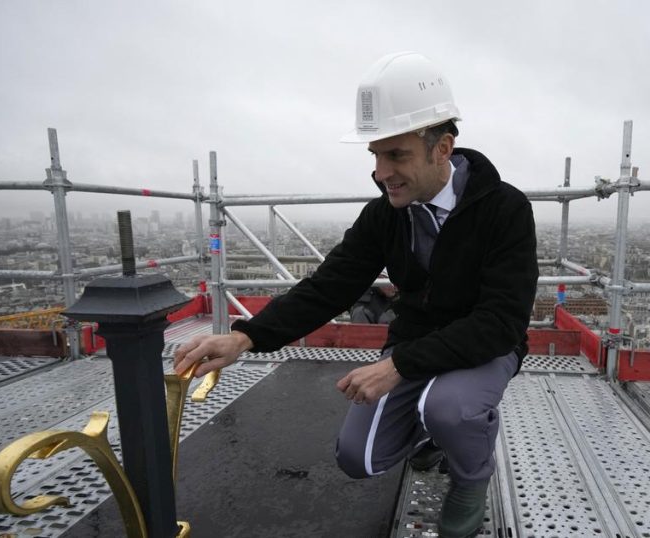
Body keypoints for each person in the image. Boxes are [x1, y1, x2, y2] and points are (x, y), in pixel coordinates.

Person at [174, 51, 538, 538]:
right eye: (376, 155)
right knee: (358, 459)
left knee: (450, 408)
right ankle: (437, 431)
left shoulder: (504, 209)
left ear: (443, 148)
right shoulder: (386, 213)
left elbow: (500, 323)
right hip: (416, 344)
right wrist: (246, 337)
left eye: (397, 155)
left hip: (484, 349)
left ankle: (471, 475)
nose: (380, 171)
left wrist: (399, 366)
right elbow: (331, 285)